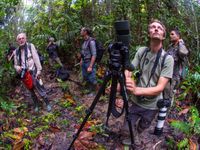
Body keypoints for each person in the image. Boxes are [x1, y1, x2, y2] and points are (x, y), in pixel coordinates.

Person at [120, 19, 174, 148]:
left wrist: (135, 89)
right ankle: (134, 140)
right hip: (136, 100)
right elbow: (129, 67)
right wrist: (128, 78)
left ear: (163, 36)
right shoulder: (142, 51)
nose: (156, 29)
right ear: (149, 33)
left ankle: (136, 135)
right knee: (126, 129)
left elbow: (159, 88)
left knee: (143, 125)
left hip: (153, 104)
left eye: (159, 28)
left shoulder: (168, 59)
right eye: (153, 27)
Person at [14, 33, 51, 112]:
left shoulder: (30, 46)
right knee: (31, 91)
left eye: (22, 38)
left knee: (40, 89)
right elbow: (15, 64)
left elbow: (36, 58)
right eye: (19, 39)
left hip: (33, 72)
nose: (21, 40)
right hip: (24, 75)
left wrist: (39, 70)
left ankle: (47, 103)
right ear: (17, 41)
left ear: (26, 39)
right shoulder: (16, 51)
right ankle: (36, 104)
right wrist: (17, 68)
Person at [80, 27, 97, 95]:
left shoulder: (91, 41)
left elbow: (94, 54)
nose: (80, 32)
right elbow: (83, 52)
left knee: (91, 77)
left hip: (89, 62)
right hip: (84, 62)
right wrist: (81, 60)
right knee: (85, 76)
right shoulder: (84, 42)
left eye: (82, 31)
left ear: (85, 32)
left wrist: (90, 66)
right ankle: (89, 90)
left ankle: (94, 92)